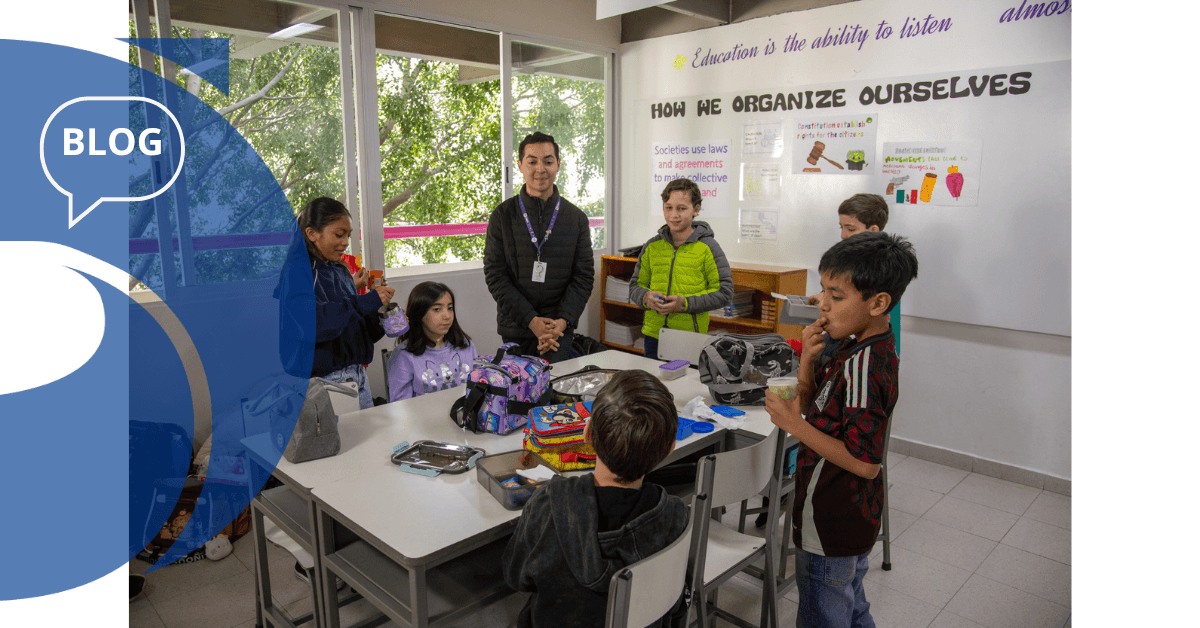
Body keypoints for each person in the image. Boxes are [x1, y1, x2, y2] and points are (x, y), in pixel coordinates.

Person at [765, 232, 918, 628]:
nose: (822, 305)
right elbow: (818, 409)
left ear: (878, 302)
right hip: (842, 519)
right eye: (822, 291)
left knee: (824, 612)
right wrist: (807, 363)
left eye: (836, 295)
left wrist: (793, 425)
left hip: (831, 519)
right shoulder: (852, 345)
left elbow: (865, 463)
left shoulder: (864, 365)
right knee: (851, 606)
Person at [502, 370, 689, 628]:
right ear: (669, 449)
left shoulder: (548, 503)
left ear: (586, 433)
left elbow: (516, 577)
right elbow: (677, 602)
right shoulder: (675, 516)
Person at [483, 132, 595, 363]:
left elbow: (583, 277)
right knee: (519, 395)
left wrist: (562, 321)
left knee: (555, 393)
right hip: (516, 327)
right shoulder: (502, 216)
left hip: (558, 331)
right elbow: (496, 275)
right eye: (532, 161)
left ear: (558, 165)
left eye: (548, 161)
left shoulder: (576, 218)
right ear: (520, 166)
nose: (540, 169)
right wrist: (531, 320)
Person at [299, 197, 395, 410]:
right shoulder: (299, 273)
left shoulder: (341, 270)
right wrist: (366, 301)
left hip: (358, 375)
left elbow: (352, 324)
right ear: (312, 233)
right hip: (327, 381)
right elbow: (315, 324)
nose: (345, 242)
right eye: (339, 235)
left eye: (348, 236)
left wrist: (382, 320)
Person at [627, 178, 733, 360]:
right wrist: (646, 297)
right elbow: (635, 286)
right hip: (654, 335)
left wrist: (685, 304)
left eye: (681, 208)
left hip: (690, 338)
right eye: (668, 207)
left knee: (684, 388)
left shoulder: (709, 247)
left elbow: (725, 292)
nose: (673, 215)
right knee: (654, 387)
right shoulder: (652, 247)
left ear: (696, 210)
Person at [387, 281, 477, 401]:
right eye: (437, 309)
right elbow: (400, 408)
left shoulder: (466, 345)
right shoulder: (403, 356)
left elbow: (477, 390)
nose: (447, 316)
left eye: (450, 308)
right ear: (419, 314)